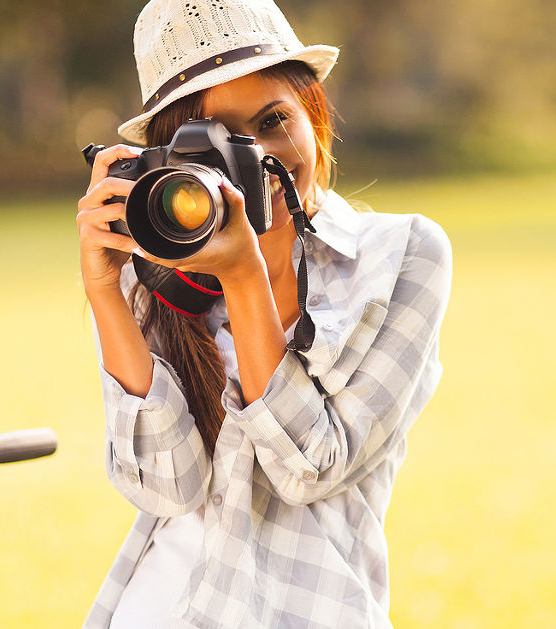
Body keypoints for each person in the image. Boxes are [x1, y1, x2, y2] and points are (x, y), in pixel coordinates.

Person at [74, 1, 452, 627]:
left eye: (274, 121)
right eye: (223, 142)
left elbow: (310, 466)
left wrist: (244, 275)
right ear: (174, 158)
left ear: (315, 116)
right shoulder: (157, 273)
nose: (261, 158)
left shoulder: (402, 256)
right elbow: (165, 488)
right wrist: (105, 291)